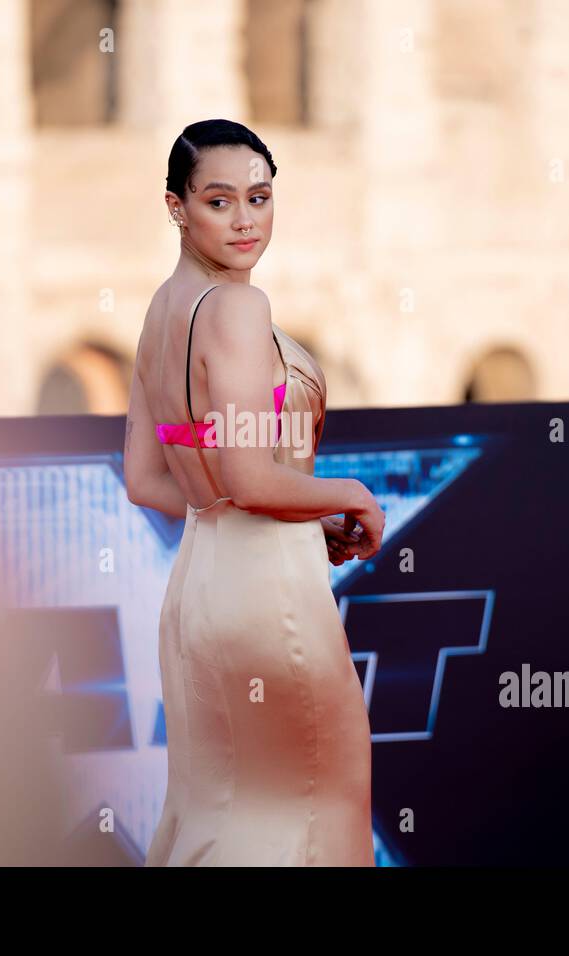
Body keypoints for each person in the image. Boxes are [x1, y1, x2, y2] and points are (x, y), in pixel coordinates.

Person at [124, 119, 386, 865]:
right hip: (267, 599)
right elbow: (248, 475)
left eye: (260, 197)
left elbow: (150, 480)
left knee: (228, 813)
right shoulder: (239, 308)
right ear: (176, 207)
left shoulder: (158, 314)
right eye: (218, 201)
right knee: (313, 807)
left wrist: (297, 518)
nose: (245, 220)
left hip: (201, 589)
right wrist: (351, 495)